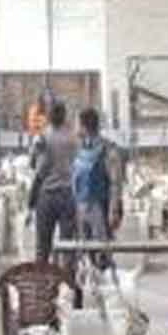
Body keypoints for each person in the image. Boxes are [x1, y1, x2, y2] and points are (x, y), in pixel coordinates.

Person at [71, 108, 125, 269]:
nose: (74, 127)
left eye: (77, 123)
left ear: (84, 126)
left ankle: (105, 275)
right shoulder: (80, 149)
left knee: (102, 254)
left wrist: (114, 210)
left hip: (100, 207)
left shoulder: (108, 150)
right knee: (84, 255)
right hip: (81, 207)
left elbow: (116, 182)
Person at [28, 100, 79, 265]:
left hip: (47, 196)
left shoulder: (42, 137)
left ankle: (42, 279)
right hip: (68, 195)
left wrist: (31, 201)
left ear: (49, 116)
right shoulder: (73, 137)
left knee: (43, 247)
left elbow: (36, 168)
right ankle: (69, 277)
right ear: (64, 116)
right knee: (68, 245)